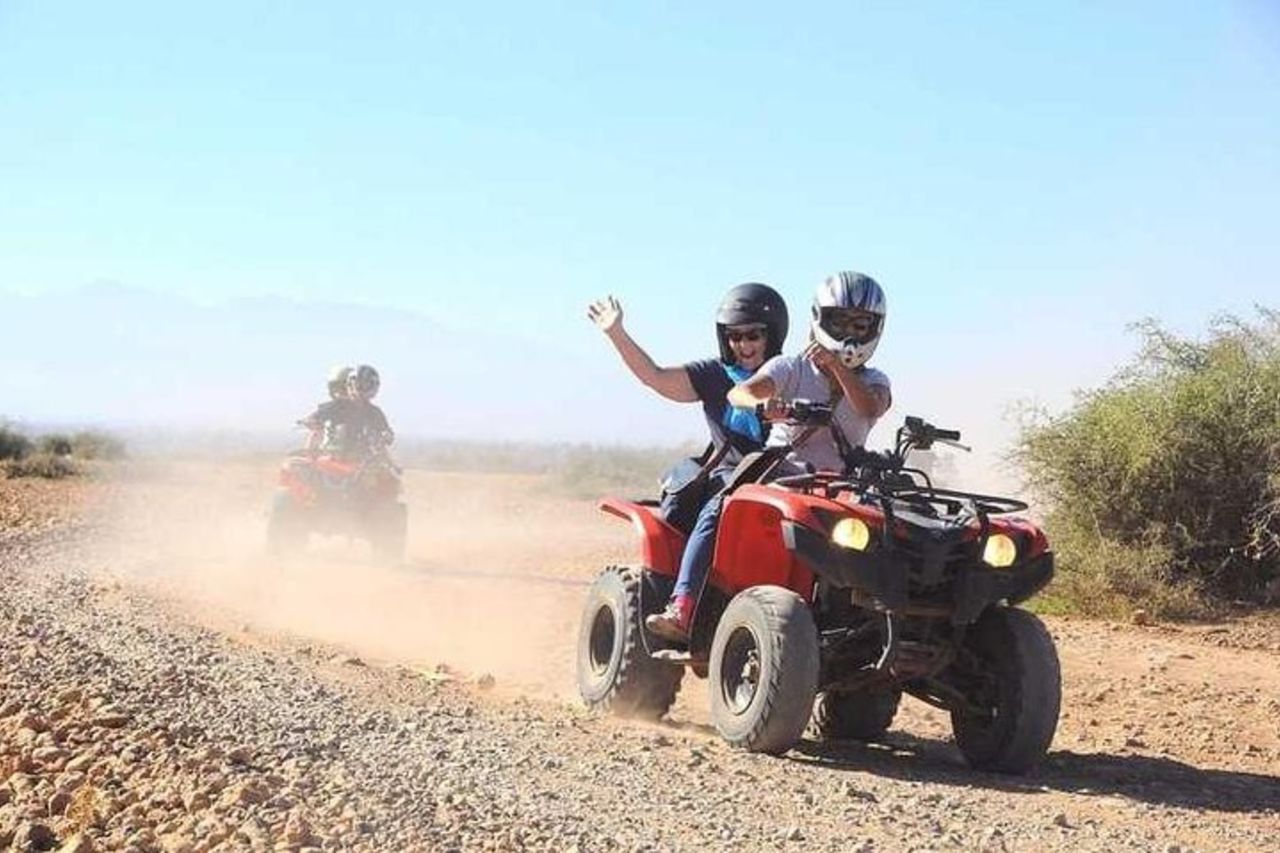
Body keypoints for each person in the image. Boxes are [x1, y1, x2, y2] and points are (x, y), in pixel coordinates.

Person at [645, 271, 892, 642]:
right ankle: (683, 603)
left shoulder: (875, 380)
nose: (850, 333)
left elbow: (869, 408)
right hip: (780, 474)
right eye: (840, 321)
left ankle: (874, 628)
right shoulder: (789, 367)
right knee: (719, 506)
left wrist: (837, 367)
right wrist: (767, 403)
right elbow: (740, 394)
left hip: (843, 485)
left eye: (860, 324)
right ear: (820, 319)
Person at [588, 283, 790, 526]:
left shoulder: (792, 375)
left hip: (785, 482)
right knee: (714, 518)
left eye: (753, 335)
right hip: (729, 483)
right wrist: (616, 333)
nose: (744, 345)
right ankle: (691, 566)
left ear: (773, 334)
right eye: (734, 336)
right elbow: (655, 376)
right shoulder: (714, 374)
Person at [299, 364, 394, 459]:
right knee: (316, 433)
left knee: (384, 465)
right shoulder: (337, 405)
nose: (358, 389)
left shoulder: (375, 412)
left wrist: (387, 435)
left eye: (365, 385)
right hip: (333, 456)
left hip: (362, 460)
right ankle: (308, 461)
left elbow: (385, 432)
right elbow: (316, 416)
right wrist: (312, 420)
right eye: (356, 385)